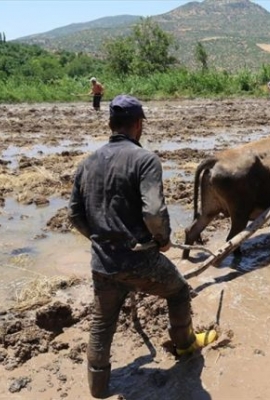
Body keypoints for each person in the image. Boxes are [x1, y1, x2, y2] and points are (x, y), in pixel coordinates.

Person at [69, 94, 218, 399]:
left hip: (102, 262)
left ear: (111, 124)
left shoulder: (86, 163)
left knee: (102, 322)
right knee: (177, 290)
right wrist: (162, 240)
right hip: (138, 259)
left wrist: (100, 240)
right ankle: (185, 346)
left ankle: (98, 387)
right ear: (138, 125)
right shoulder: (145, 160)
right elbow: (152, 212)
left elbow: (75, 215)